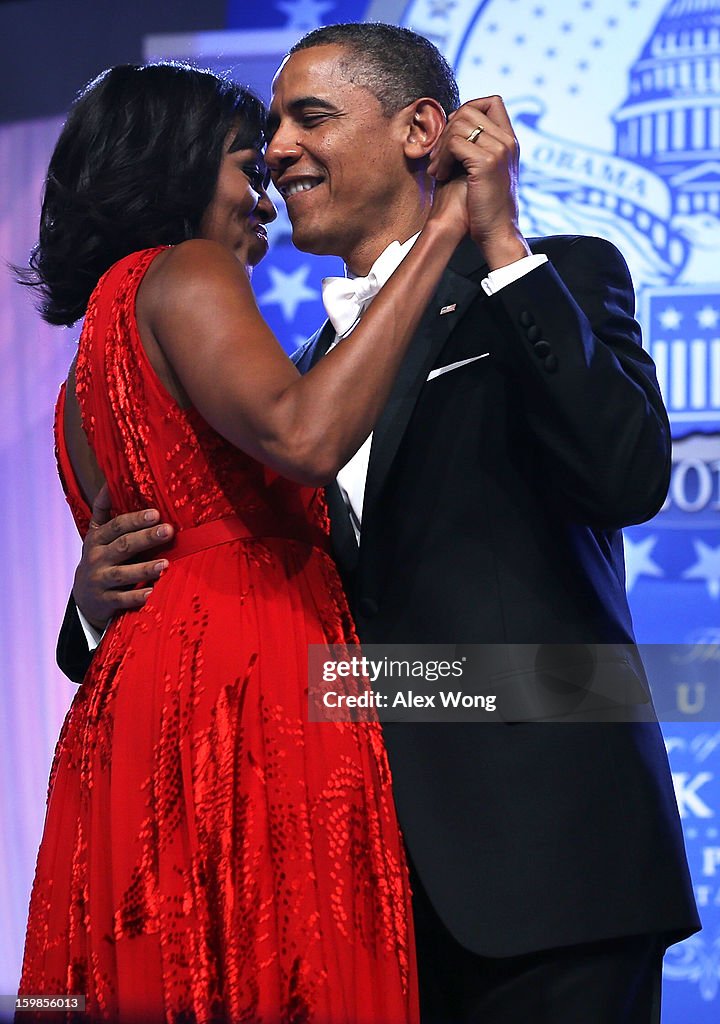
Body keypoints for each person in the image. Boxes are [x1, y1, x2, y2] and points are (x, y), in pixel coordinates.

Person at [57, 24, 700, 1024]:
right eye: (269, 127)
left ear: (421, 130)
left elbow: (627, 477)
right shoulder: (306, 377)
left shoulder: (549, 277)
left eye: (309, 116)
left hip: (552, 870)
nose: (275, 149)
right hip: (358, 887)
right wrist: (92, 608)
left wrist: (499, 247)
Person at [17, 60, 471, 1023]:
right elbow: (304, 436)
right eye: (243, 164)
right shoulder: (185, 271)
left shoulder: (78, 380)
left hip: (143, 697)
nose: (264, 190)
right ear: (177, 168)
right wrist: (444, 232)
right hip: (244, 682)